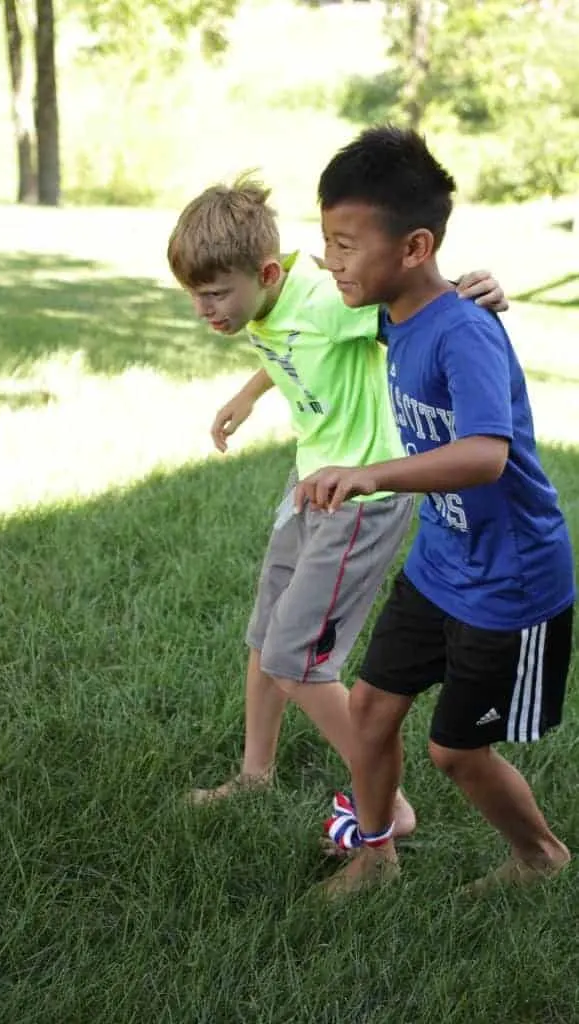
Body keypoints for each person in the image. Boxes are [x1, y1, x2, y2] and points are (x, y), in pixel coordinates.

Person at [167, 180, 507, 841]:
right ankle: (254, 773)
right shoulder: (266, 301)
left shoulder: (326, 298)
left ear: (265, 272)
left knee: (297, 655)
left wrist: (474, 289)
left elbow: (417, 307)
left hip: (362, 499)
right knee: (266, 637)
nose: (202, 309)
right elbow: (290, 346)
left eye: (213, 295)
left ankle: (386, 800)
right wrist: (249, 392)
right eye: (194, 293)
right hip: (309, 483)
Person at [295, 125, 575, 894]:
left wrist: (368, 473)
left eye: (347, 244)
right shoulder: (392, 311)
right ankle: (375, 853)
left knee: (454, 753)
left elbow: (485, 455)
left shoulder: (463, 334)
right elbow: (294, 308)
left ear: (414, 247)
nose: (333, 261)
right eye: (327, 241)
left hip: (508, 580)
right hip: (440, 562)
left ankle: (539, 857)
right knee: (370, 707)